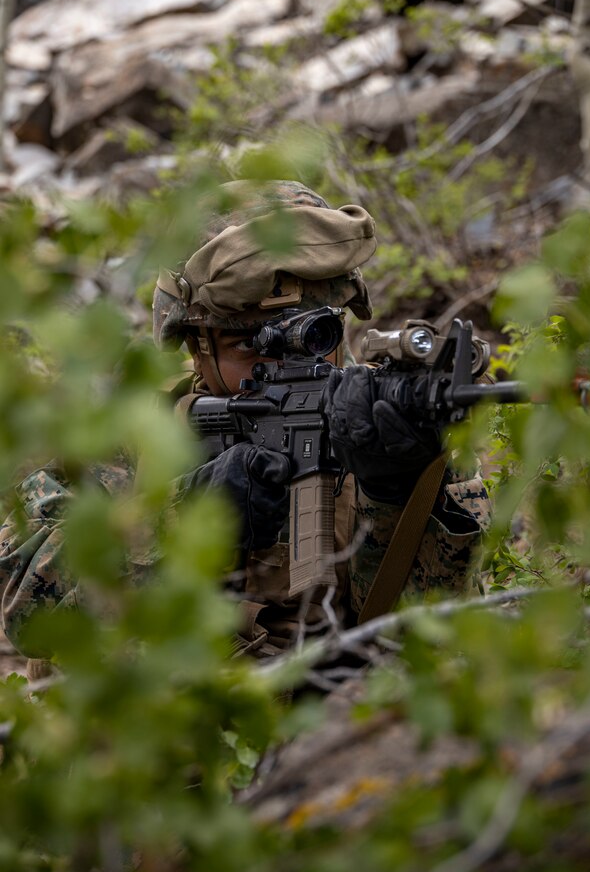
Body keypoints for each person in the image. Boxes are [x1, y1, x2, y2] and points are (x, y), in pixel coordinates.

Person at [0, 179, 490, 669]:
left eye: (318, 333)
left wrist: (397, 493)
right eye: (252, 345)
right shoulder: (124, 435)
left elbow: (435, 634)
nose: (285, 362)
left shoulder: (383, 422)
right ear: (197, 347)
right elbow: (25, 612)